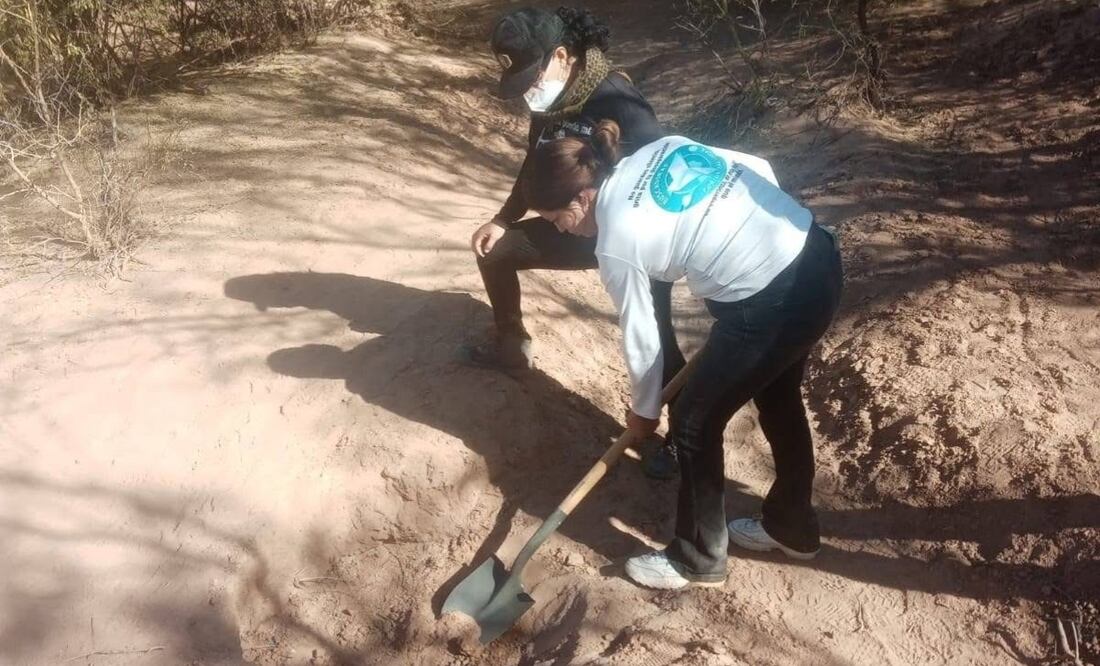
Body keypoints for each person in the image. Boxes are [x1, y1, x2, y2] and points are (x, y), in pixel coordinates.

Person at [523, 122, 844, 590]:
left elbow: (642, 334)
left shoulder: (616, 242)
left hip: (770, 303)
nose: (560, 229)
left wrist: (643, 412)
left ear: (582, 199)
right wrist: (761, 239)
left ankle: (697, 558)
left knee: (693, 420)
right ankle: (791, 527)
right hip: (815, 258)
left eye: (556, 218)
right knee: (779, 399)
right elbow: (757, 167)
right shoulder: (660, 149)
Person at [461, 7, 685, 388]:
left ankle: (679, 420)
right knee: (494, 252)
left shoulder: (619, 100)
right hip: (573, 225)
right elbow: (536, 166)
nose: (529, 91)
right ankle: (512, 347)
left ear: (562, 56)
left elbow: (664, 171)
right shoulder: (550, 101)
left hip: (632, 238)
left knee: (656, 340)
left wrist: (641, 249)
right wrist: (502, 220)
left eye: (533, 78)